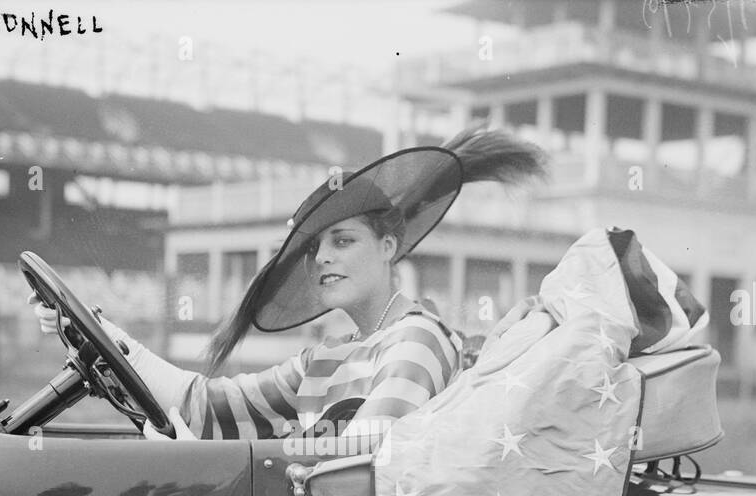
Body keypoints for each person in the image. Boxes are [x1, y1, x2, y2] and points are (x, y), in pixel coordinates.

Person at [33, 128, 547, 451]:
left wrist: (213, 458)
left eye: (343, 241)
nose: (322, 257)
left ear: (389, 246)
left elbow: (367, 457)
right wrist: (104, 334)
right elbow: (206, 407)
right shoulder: (320, 361)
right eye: (316, 247)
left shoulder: (418, 339)